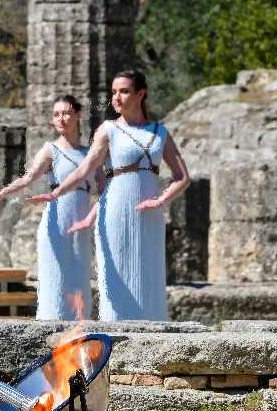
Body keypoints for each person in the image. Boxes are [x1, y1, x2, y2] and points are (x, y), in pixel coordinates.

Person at [28, 71, 190, 321]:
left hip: (149, 214)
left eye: (123, 91)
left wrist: (161, 201)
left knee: (150, 275)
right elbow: (85, 169)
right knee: (116, 281)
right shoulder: (108, 129)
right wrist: (57, 192)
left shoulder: (159, 132)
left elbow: (182, 176)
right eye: (114, 92)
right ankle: (114, 340)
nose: (116, 97)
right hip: (115, 210)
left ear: (140, 94)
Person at [0, 96, 104, 320]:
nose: (61, 119)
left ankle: (80, 330)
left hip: (81, 221)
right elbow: (28, 179)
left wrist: (93, 217)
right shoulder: (50, 150)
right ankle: (50, 327)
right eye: (56, 115)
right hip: (56, 219)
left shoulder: (90, 153)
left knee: (79, 277)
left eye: (65, 113)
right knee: (55, 277)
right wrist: (1, 193)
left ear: (78, 115)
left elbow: (104, 190)